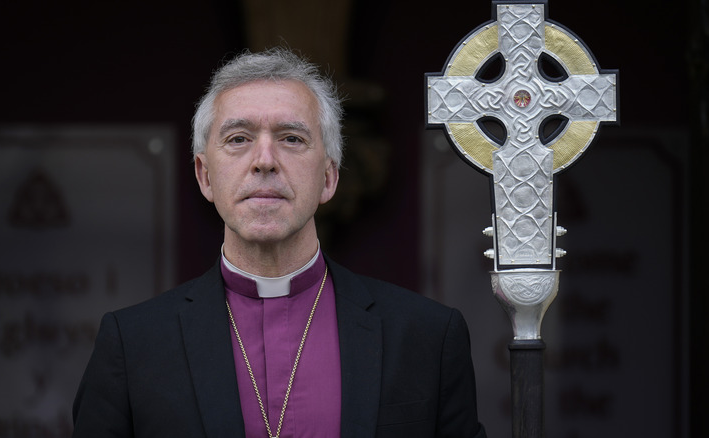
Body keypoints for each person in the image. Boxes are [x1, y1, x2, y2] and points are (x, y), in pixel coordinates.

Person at [72, 48, 486, 438]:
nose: (265, 159)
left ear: (328, 177)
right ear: (205, 176)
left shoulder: (425, 338)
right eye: (238, 139)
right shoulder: (132, 345)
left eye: (291, 138)